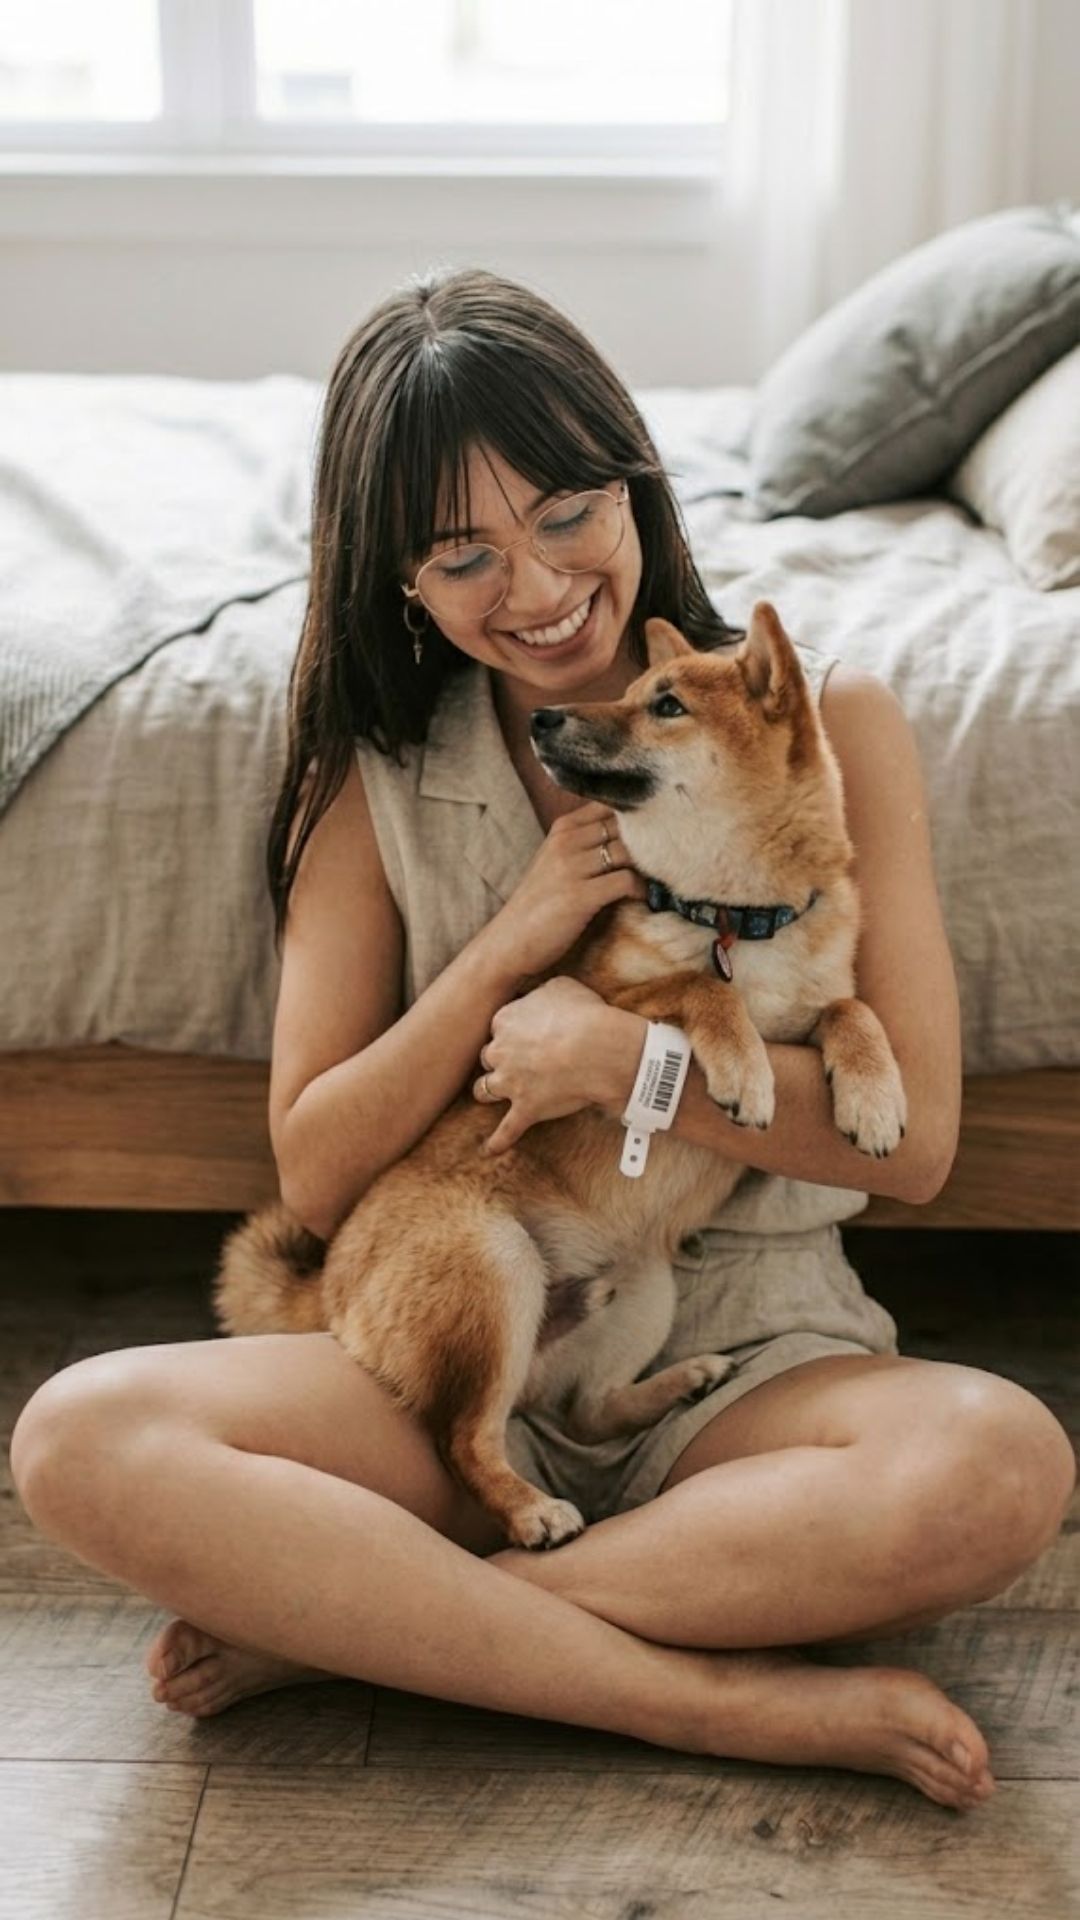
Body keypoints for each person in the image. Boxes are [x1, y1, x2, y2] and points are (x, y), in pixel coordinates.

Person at [11, 268, 1074, 1812]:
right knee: (77, 1439)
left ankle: (379, 1627)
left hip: (746, 1346)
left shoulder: (829, 717)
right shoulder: (367, 786)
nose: (534, 585)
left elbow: (915, 1150)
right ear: (400, 586)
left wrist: (628, 1062)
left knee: (1003, 1463)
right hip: (458, 1330)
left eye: (566, 512)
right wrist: (511, 944)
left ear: (635, 485)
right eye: (463, 554)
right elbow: (313, 1179)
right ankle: (706, 1699)